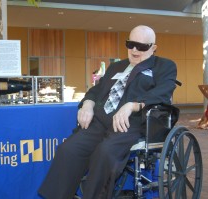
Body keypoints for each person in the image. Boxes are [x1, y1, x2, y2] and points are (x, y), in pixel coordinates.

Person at [38, 25, 177, 199]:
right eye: (130, 44)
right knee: (69, 150)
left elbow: (163, 92)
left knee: (104, 153)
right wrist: (87, 104)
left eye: (141, 46)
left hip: (131, 123)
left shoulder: (163, 66)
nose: (134, 50)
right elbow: (96, 91)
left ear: (153, 48)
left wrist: (132, 106)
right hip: (100, 121)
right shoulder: (116, 66)